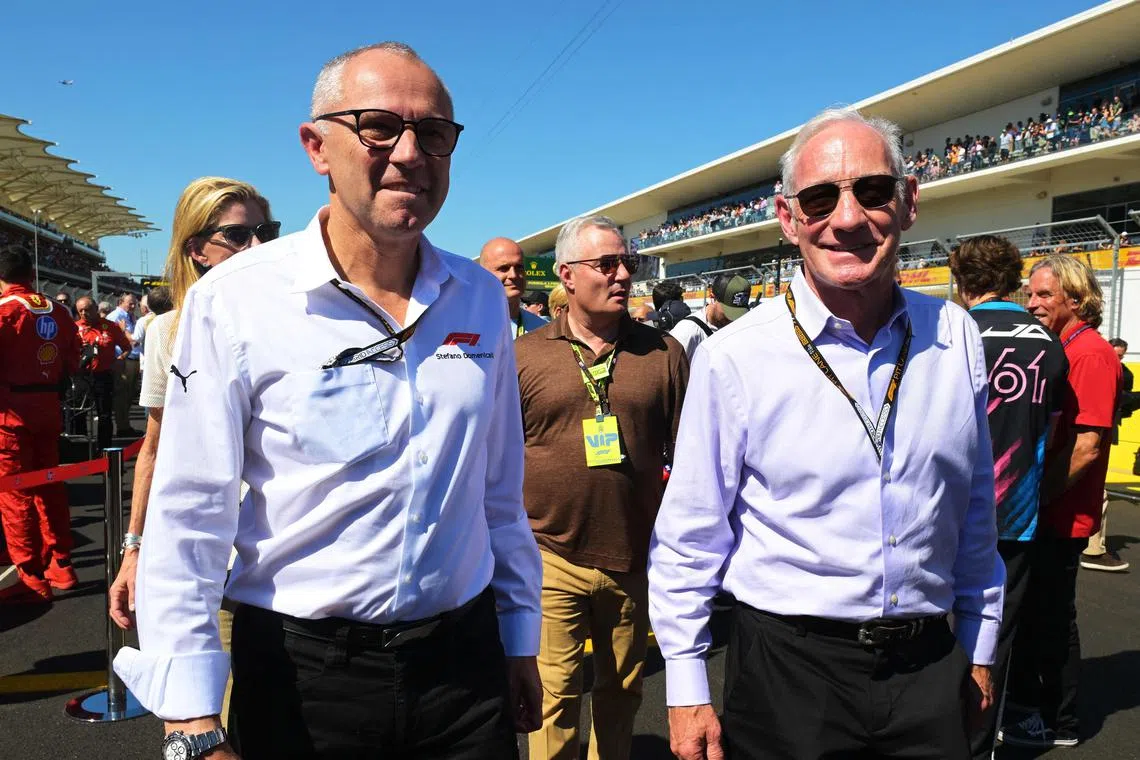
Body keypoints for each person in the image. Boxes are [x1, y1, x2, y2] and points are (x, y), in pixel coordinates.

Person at [112, 42, 542, 760]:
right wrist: (190, 720)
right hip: (304, 678)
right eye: (378, 126)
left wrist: (519, 634)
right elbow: (191, 510)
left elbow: (497, 492)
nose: (409, 153)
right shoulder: (235, 300)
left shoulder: (478, 298)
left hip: (464, 668)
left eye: (433, 134)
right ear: (317, 146)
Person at [648, 107, 1003, 760]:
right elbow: (691, 535)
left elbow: (975, 509)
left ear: (908, 203)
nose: (846, 219)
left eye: (871, 191)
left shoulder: (955, 336)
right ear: (788, 220)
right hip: (788, 674)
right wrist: (686, 683)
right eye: (819, 199)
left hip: (929, 665)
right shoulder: (734, 356)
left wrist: (980, 649)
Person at [515, 215, 688, 760]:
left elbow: (690, 458)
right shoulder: (526, 357)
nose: (621, 276)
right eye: (605, 264)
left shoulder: (663, 355)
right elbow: (496, 461)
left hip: (634, 556)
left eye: (627, 264)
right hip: (549, 555)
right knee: (555, 701)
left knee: (622, 696)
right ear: (567, 275)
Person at [108, 178, 276, 731]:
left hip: (282, 560)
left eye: (266, 232)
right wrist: (135, 549)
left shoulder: (294, 323)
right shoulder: (167, 331)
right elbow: (154, 449)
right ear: (196, 249)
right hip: (208, 562)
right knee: (214, 719)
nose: (256, 247)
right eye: (237, 235)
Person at [948, 235, 1069, 760]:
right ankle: (976, 746)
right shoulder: (1048, 344)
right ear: (1016, 279)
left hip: (946, 513)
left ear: (962, 282)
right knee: (992, 640)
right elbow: (1055, 433)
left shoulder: (953, 332)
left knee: (930, 632)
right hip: (1016, 515)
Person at [1002, 254, 1124, 748]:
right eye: (1030, 294)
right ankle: (1036, 707)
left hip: (1062, 515)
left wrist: (1036, 496)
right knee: (1037, 615)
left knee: (1052, 619)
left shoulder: (1091, 354)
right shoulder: (1062, 346)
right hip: (1048, 511)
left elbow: (1089, 446)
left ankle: (1060, 721)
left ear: (1075, 298)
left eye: (1044, 295)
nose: (1032, 303)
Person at [0, 246, 82, 603]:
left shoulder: (4, 311)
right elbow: (74, 359)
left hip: (10, 414)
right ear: (31, 274)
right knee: (50, 483)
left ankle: (31, 577)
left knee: (15, 493)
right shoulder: (59, 310)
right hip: (49, 407)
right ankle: (61, 563)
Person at [1080, 336, 1134, 572]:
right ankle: (1092, 548)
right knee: (1096, 494)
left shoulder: (1122, 373)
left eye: (1121, 356)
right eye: (1115, 354)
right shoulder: (1095, 363)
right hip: (1089, 438)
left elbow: (1120, 402)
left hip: (1101, 433)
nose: (1117, 359)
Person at [75, 295, 132, 451]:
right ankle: (82, 448)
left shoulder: (111, 326)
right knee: (79, 413)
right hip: (82, 376)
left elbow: (127, 347)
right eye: (80, 310)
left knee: (104, 414)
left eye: (87, 310)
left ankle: (104, 448)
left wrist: (120, 359)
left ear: (96, 309)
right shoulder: (74, 328)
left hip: (103, 375)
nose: (84, 313)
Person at [668, 273, 750, 361]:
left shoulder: (740, 326)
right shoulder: (687, 331)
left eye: (739, 313)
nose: (732, 319)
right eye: (728, 312)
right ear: (712, 298)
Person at [479, 237, 546, 336]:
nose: (514, 275)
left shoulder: (542, 329)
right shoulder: (459, 325)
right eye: (503, 268)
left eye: (519, 267)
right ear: (482, 275)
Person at [106, 292, 141, 436]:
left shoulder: (130, 316)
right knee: (122, 394)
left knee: (129, 394)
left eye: (134, 303)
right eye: (130, 303)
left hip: (132, 358)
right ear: (121, 302)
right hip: (123, 359)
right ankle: (122, 426)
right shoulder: (115, 316)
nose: (133, 306)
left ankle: (125, 424)